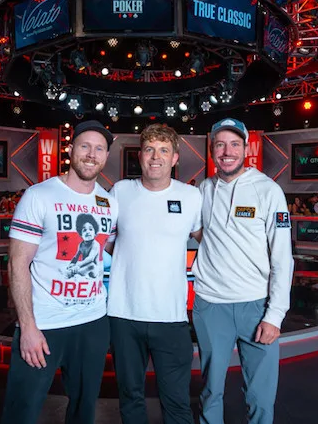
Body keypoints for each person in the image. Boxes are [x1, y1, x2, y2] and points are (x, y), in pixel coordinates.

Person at [0, 120, 118, 424]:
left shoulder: (109, 202)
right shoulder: (39, 196)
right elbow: (17, 263)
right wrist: (28, 326)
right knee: (21, 410)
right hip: (44, 323)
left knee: (84, 410)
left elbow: (110, 250)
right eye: (85, 146)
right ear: (71, 149)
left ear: (106, 156)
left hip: (92, 323)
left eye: (99, 149)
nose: (91, 154)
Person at [192, 118, 294, 424]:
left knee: (261, 397)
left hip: (256, 306)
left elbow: (282, 258)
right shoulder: (203, 190)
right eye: (221, 144)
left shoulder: (268, 190)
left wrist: (275, 315)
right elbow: (201, 233)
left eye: (235, 144)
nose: (227, 151)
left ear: (246, 149)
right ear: (212, 150)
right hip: (211, 305)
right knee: (211, 391)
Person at [104, 124, 202, 424]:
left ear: (175, 158)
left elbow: (209, 243)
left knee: (177, 403)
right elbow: (105, 241)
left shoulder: (191, 196)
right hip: (123, 315)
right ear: (140, 156)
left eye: (163, 150)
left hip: (170, 318)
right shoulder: (120, 191)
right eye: (149, 149)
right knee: (130, 399)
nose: (155, 157)